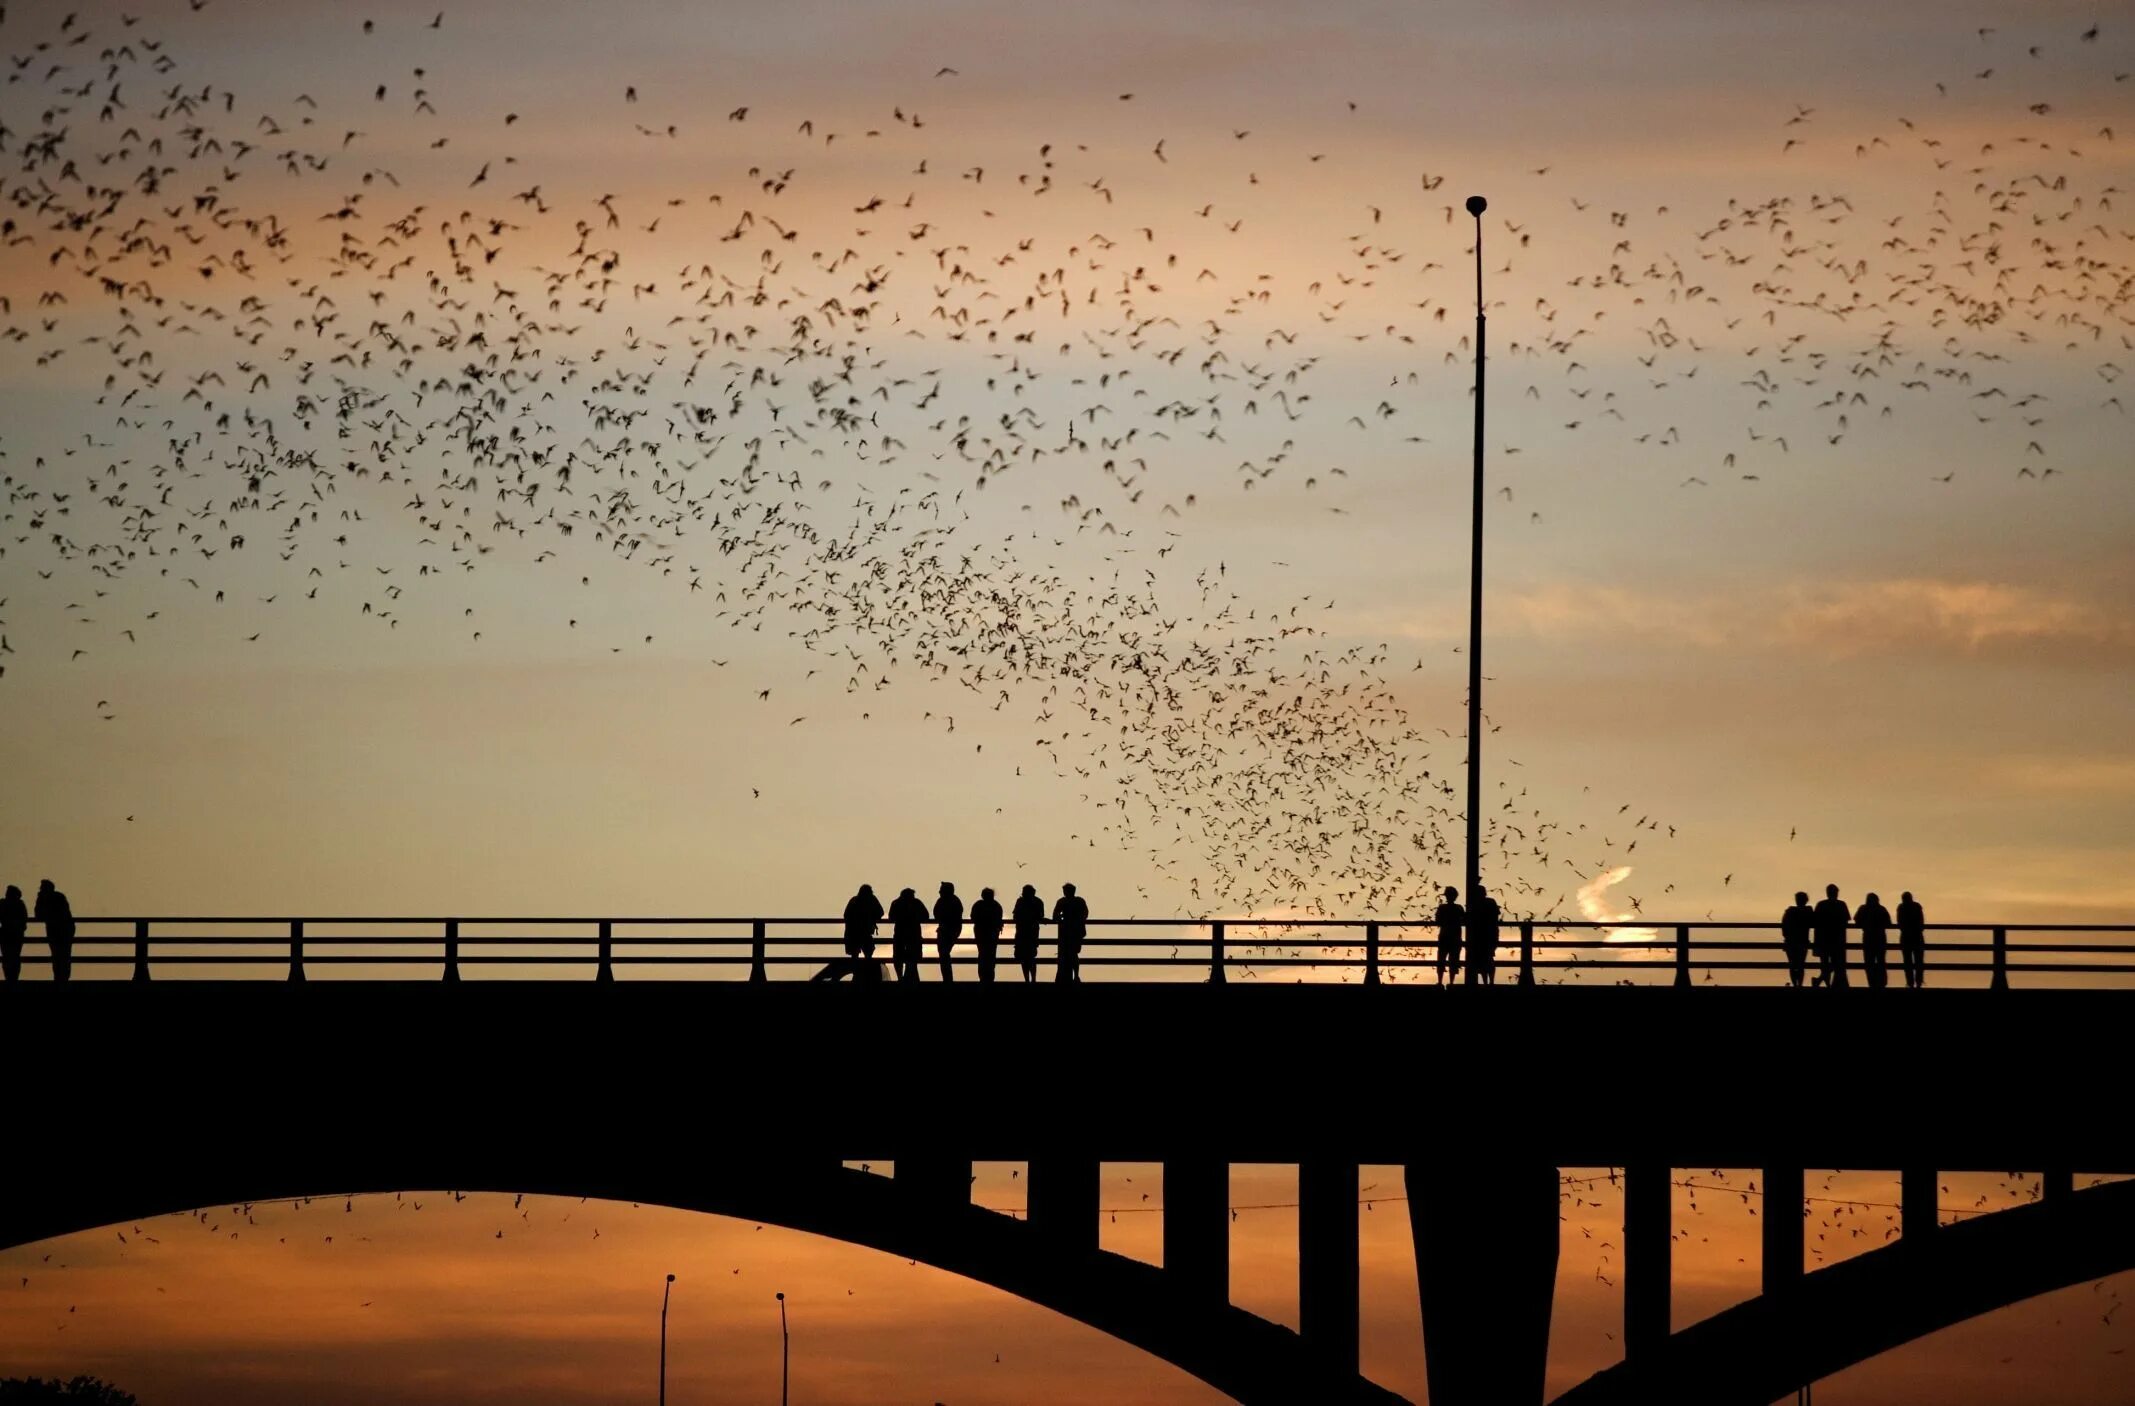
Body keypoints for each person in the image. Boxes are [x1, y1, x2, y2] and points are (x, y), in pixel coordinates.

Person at [1812, 883, 1851, 988]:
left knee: (1825, 963)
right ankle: (1826, 982)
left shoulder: (1821, 905)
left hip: (1823, 939)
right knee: (1836, 963)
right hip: (1837, 939)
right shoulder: (1841, 904)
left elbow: (1815, 921)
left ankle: (1823, 982)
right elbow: (1846, 920)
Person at [34, 879, 74, 983]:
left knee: (59, 955)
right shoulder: (59, 897)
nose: (41, 889)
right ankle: (62, 978)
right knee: (61, 955)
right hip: (61, 930)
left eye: (42, 888)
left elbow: (39, 915)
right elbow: (39, 915)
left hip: (60, 931)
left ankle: (60, 978)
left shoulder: (56, 898)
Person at [887, 886, 928, 983]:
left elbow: (891, 917)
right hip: (913, 935)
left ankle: (901, 978)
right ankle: (909, 978)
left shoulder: (896, 903)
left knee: (899, 957)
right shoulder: (916, 903)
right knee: (911, 957)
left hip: (900, 934)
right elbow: (925, 916)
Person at [1856, 891, 1893, 989]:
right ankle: (1882, 983)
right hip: (1880, 938)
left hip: (1868, 938)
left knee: (1869, 962)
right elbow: (1889, 923)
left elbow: (1857, 921)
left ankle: (1872, 983)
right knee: (1881, 962)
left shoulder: (1863, 909)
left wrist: (1865, 925)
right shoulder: (1881, 909)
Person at [1465, 885, 1501, 986]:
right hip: (1490, 934)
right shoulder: (1490, 902)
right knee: (1488, 959)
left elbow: (1469, 918)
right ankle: (1491, 982)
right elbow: (1496, 916)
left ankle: (1486, 982)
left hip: (1479, 935)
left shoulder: (1475, 904)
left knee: (1482, 960)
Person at [1052, 882, 1088, 982]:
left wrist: (1062, 918)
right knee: (1072, 954)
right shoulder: (1079, 901)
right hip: (1075, 931)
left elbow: (1055, 915)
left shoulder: (1063, 901)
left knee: (1069, 954)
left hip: (1069, 931)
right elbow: (1085, 914)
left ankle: (1070, 976)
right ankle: (1074, 976)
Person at [970, 887, 1005, 983]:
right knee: (990, 954)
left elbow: (973, 917)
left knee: (982, 954)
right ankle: (989, 977)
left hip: (981, 933)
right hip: (991, 933)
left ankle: (983, 977)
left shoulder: (978, 905)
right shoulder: (996, 906)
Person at [1780, 891, 1814, 988]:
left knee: (1792, 964)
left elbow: (1784, 927)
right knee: (1801, 964)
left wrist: (1787, 936)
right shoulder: (1808, 911)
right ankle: (1799, 985)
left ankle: (1795, 984)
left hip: (1790, 942)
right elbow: (1813, 922)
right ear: (1806, 900)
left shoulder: (1789, 911)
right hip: (1802, 941)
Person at [842, 884, 883, 963]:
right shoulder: (872, 899)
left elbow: (846, 915)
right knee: (868, 953)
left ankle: (857, 972)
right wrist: (872, 918)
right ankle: (865, 971)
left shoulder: (854, 900)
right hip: (864, 932)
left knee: (855, 955)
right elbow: (880, 912)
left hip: (853, 933)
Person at [1012, 884, 1045, 982]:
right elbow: (1041, 916)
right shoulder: (1036, 901)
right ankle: (1030, 979)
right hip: (1029, 932)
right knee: (1028, 957)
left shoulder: (1021, 901)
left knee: (1027, 957)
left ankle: (1029, 979)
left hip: (1025, 932)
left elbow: (1015, 915)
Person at [933, 881, 965, 982]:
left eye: (941, 890)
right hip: (947, 930)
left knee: (943, 954)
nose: (939, 892)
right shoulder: (953, 901)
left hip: (949, 931)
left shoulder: (951, 901)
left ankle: (947, 979)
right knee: (944, 954)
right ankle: (947, 978)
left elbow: (937, 914)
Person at [1432, 886, 1464, 986]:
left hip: (1444, 936)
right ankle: (1451, 983)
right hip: (1455, 937)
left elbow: (1437, 921)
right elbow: (1464, 920)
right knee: (1454, 961)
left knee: (1441, 959)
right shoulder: (1459, 908)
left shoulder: (1442, 908)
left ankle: (1440, 982)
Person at [1897, 890, 1927, 989]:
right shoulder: (1917, 906)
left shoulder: (1901, 907)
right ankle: (1918, 982)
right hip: (1917, 937)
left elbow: (1899, 923)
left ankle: (1910, 982)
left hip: (1905, 938)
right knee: (1918, 961)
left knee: (1907, 961)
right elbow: (1921, 922)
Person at [1, 884, 27, 982]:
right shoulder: (20, 904)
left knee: (8, 957)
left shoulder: (3, 903)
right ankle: (13, 978)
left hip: (7, 934)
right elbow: (24, 921)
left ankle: (10, 978)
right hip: (16, 934)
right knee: (14, 957)